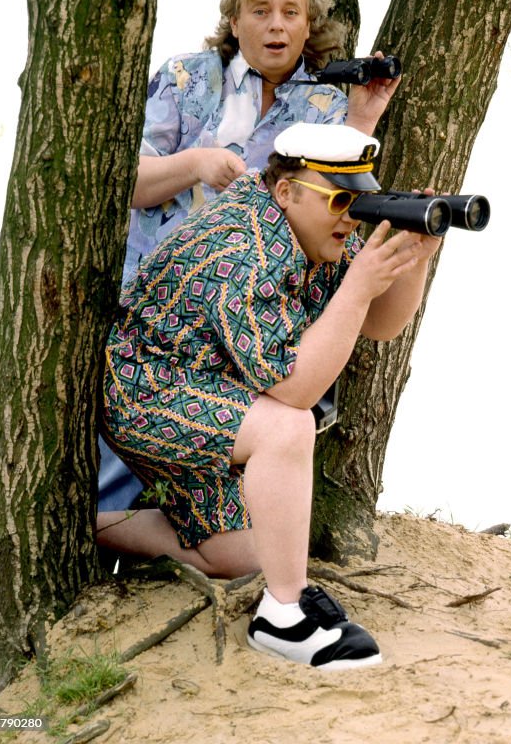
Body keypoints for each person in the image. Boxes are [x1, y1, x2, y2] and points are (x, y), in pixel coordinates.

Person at [97, 123, 441, 670]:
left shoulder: (312, 221)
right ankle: (282, 618)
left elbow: (381, 326)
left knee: (253, 557)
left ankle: (90, 527)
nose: (353, 216)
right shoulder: (240, 248)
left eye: (362, 201)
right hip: (145, 391)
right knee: (287, 426)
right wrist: (356, 286)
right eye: (341, 201)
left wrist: (414, 257)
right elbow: (297, 390)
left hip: (215, 394)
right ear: (287, 192)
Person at [99, 0, 398, 510]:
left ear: (309, 24)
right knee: (116, 474)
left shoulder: (325, 108)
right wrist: (196, 163)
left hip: (252, 316)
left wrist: (361, 118)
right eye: (260, 11)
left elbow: (336, 208)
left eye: (290, 12)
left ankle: (208, 542)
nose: (276, 25)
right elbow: (123, 182)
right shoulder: (187, 79)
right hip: (160, 311)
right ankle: (104, 539)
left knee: (240, 461)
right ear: (234, 20)